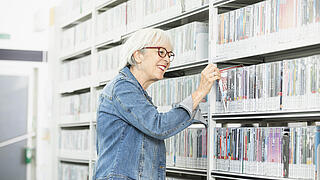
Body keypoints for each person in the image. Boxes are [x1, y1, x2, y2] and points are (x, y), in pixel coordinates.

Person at [93, 28, 221, 180]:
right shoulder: (122, 87)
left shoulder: (136, 92)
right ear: (138, 55)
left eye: (169, 54)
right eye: (161, 52)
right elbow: (158, 126)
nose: (167, 59)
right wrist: (200, 92)